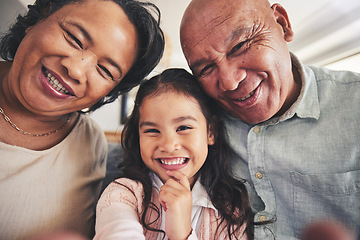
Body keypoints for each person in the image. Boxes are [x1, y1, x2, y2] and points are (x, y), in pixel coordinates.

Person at [179, 0, 360, 239]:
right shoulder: (199, 123)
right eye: (206, 69)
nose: (230, 82)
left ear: (282, 24)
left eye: (240, 45)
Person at [0, 0, 164, 239]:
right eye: (74, 39)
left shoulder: (90, 143)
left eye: (106, 71)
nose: (76, 70)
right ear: (38, 18)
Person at [94, 68, 254, 240]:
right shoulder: (123, 194)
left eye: (183, 128)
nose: (169, 146)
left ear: (210, 132)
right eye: (152, 130)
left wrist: (182, 234)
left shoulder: (231, 211)